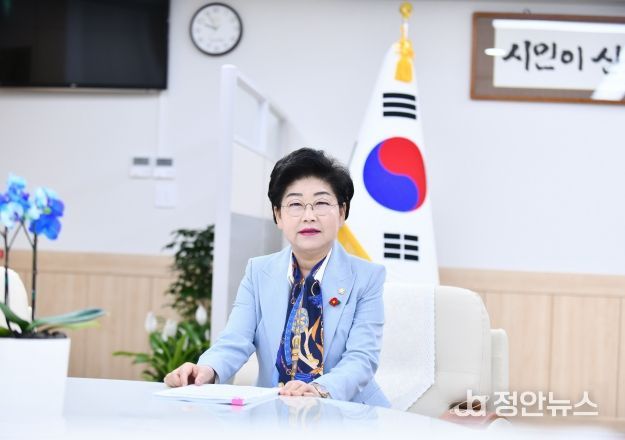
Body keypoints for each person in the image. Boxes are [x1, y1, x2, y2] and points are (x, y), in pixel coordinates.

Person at [164, 148, 389, 407]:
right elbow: (235, 340)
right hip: (275, 409)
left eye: (321, 203)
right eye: (295, 204)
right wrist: (206, 369)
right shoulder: (258, 272)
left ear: (341, 212)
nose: (309, 216)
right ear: (278, 215)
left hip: (348, 412)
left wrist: (318, 389)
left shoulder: (367, 277)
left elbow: (361, 359)